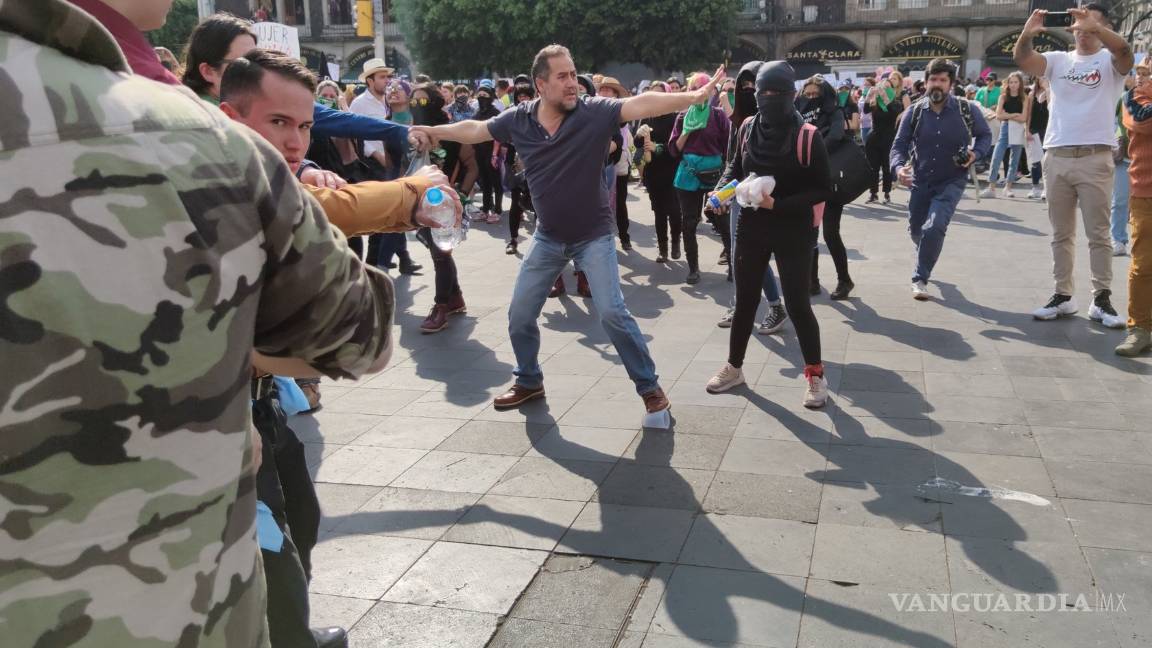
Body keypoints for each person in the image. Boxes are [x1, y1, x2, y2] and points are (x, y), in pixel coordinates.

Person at [1, 2, 396, 646]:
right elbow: (360, 335)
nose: (295, 137)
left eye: (303, 124)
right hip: (168, 604)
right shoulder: (194, 136)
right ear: (218, 83)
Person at [411, 44, 726, 416]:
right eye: (562, 76)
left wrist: (693, 96)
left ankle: (649, 387)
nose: (572, 83)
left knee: (612, 312)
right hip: (548, 236)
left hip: (594, 235)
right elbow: (477, 129)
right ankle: (529, 380)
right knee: (519, 314)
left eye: (574, 74)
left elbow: (642, 104)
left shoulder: (594, 112)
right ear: (540, 84)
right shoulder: (520, 119)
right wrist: (433, 129)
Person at [704, 61, 832, 409]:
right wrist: (719, 194)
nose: (768, 98)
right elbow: (735, 167)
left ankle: (815, 375)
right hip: (751, 226)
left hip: (793, 230)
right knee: (745, 300)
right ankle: (734, 367)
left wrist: (779, 204)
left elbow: (823, 188)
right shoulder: (747, 128)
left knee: (798, 304)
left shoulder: (808, 135)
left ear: (792, 95)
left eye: (777, 92)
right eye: (762, 92)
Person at [1015, 4, 1132, 328]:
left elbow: (1124, 51)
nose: (1079, 27)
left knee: (1099, 234)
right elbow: (1024, 59)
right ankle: (1063, 294)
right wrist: (1027, 33)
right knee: (1061, 233)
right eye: (1076, 22)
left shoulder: (1109, 62)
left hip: (1095, 156)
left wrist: (1094, 27)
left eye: (1088, 21)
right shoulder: (1058, 61)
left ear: (1103, 26)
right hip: (1058, 155)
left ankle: (1102, 298)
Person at [890, 58, 993, 300]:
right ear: (925, 83)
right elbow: (899, 145)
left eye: (942, 80)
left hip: (951, 181)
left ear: (951, 83)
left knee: (934, 227)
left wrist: (975, 153)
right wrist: (898, 168)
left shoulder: (967, 109)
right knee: (917, 229)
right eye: (933, 79)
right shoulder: (914, 112)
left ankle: (920, 277)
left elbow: (985, 135)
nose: (937, 84)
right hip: (920, 181)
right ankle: (925, 250)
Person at [714, 60, 789, 335]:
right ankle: (746, 305)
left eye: (753, 86)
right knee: (740, 255)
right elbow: (735, 162)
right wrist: (721, 191)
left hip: (774, 199)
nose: (748, 92)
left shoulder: (789, 119)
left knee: (762, 256)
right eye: (743, 86)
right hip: (742, 193)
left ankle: (777, 306)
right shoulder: (742, 122)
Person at [408, 82, 469, 334]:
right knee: (438, 252)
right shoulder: (409, 131)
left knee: (440, 254)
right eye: (413, 101)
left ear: (434, 102)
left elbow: (470, 163)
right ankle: (454, 297)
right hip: (415, 201)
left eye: (422, 101)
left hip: (444, 203)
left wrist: (462, 194)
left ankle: (441, 307)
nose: (416, 106)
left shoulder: (450, 131)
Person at [670, 72, 732, 284]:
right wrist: (687, 130)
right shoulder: (683, 116)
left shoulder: (718, 116)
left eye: (704, 88)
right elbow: (675, 149)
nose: (700, 93)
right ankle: (693, 268)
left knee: (722, 219)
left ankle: (733, 264)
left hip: (715, 174)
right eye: (695, 88)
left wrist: (725, 172)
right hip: (688, 175)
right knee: (689, 223)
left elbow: (728, 147)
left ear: (711, 92)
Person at [798, 75, 855, 300]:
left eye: (816, 95)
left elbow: (836, 135)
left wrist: (812, 145)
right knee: (809, 231)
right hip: (806, 178)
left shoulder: (835, 112)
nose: (811, 98)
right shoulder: (798, 112)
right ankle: (812, 281)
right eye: (808, 94)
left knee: (830, 232)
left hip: (830, 178)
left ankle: (844, 279)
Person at [1117, 76, 1152, 355]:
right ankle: (1140, 328)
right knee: (1143, 265)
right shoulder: (1136, 95)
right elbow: (1142, 121)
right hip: (1146, 192)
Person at [635, 81, 683, 263]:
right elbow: (638, 144)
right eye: (652, 94)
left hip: (672, 171)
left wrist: (658, 147)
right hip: (653, 173)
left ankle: (676, 242)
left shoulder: (675, 118)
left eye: (659, 94)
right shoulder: (647, 117)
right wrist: (640, 135)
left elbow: (678, 148)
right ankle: (663, 249)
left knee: (674, 211)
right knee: (659, 212)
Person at [599, 76, 635, 250]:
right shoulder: (593, 110)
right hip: (597, 165)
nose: (605, 92)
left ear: (615, 94)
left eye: (609, 90)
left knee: (619, 202)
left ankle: (624, 237)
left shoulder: (618, 110)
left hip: (617, 163)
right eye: (602, 89)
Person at [982, 71, 1029, 198]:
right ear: (1007, 83)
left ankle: (1008, 187)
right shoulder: (1003, 96)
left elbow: (1024, 117)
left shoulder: (1024, 97)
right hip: (1005, 127)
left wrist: (1007, 115)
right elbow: (998, 115)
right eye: (1011, 82)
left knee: (1014, 159)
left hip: (1018, 128)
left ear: (1020, 83)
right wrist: (1014, 115)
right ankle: (991, 187)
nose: (1013, 85)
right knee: (997, 156)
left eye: (1016, 82)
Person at [864, 72, 907, 204]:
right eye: (883, 86)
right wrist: (869, 96)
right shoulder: (875, 101)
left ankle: (887, 193)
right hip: (874, 136)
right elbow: (865, 110)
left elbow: (894, 113)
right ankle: (873, 193)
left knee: (887, 167)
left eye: (887, 87)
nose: (884, 89)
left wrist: (884, 96)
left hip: (889, 137)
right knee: (873, 167)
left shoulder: (896, 101)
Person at [505, 82, 536, 254]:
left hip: (536, 166)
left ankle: (541, 245)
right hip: (514, 164)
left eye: (526, 96)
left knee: (539, 205)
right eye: (520, 96)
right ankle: (513, 240)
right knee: (515, 204)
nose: (523, 99)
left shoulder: (540, 113)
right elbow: (502, 137)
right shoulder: (510, 114)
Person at [473, 83, 505, 224]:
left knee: (495, 182)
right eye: (479, 96)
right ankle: (486, 208)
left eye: (485, 96)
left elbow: (500, 135)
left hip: (493, 152)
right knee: (485, 181)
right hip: (479, 152)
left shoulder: (496, 114)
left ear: (491, 97)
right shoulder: (476, 114)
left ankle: (497, 210)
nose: (481, 98)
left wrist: (495, 154)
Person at [1112, 74, 1136, 255]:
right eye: (1138, 75)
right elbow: (1113, 121)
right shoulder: (1124, 98)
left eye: (1146, 75)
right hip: (1125, 157)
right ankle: (1119, 240)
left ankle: (1140, 241)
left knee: (1142, 204)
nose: (1140, 78)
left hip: (1144, 160)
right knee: (1120, 200)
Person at [1026, 75, 1050, 200]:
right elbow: (1028, 114)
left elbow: (1053, 109)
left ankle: (1046, 189)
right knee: (1035, 160)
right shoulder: (1031, 94)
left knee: (1047, 160)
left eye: (1045, 77)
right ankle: (1035, 187)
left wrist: (1047, 90)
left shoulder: (1051, 92)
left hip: (1048, 129)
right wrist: (1027, 130)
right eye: (1041, 77)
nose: (1043, 79)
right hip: (1034, 129)